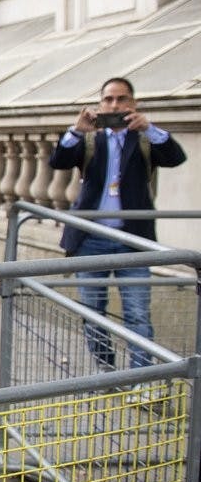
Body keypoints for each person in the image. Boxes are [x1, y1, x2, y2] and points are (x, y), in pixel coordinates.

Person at [49, 77, 186, 375]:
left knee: (137, 314)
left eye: (121, 99)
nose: (115, 105)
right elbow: (57, 161)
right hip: (90, 240)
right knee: (92, 313)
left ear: (133, 103)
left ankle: (140, 378)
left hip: (132, 240)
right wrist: (76, 130)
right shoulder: (90, 138)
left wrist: (149, 128)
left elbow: (176, 157)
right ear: (100, 105)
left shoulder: (144, 138)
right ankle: (106, 372)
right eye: (108, 100)